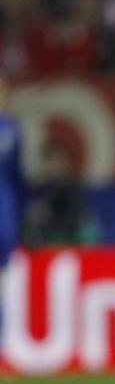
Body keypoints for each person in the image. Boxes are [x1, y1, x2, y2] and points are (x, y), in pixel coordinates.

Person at [0, 75, 26, 338]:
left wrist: (21, 216)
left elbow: (19, 179)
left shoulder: (11, 130)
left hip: (3, 217)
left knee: (2, 286)